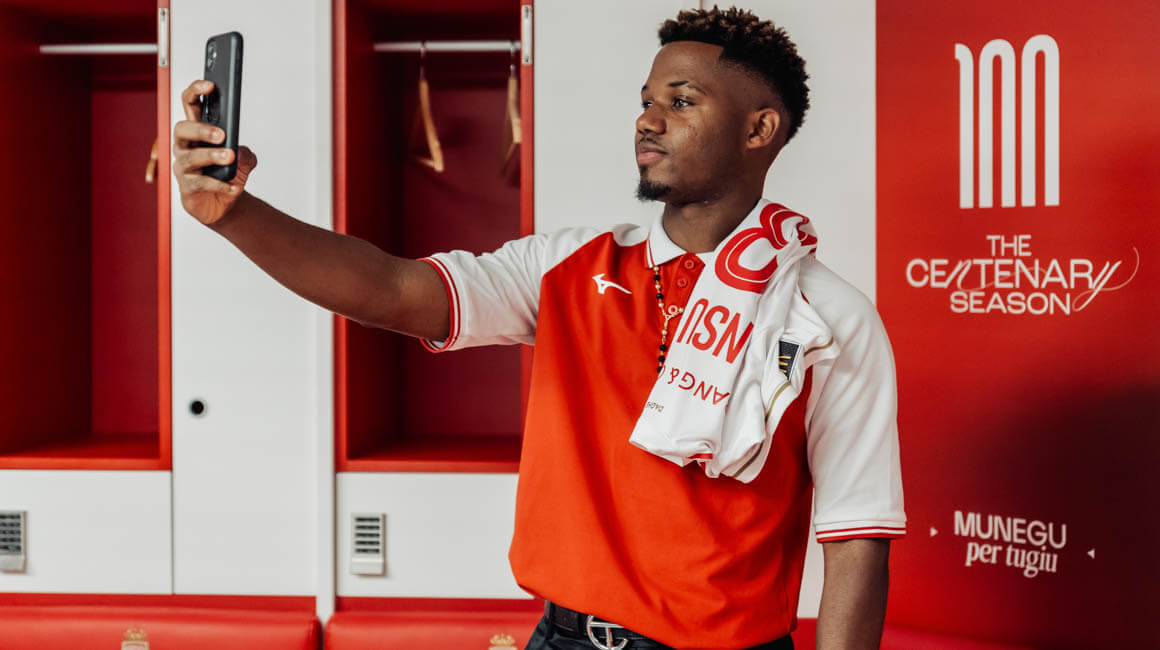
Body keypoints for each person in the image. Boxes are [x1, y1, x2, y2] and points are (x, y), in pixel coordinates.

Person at [172, 6, 904, 650]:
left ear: (759, 128)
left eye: (681, 101)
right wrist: (237, 216)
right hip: (563, 637)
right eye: (646, 101)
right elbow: (391, 290)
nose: (647, 121)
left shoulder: (829, 317)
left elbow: (858, 537)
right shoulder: (565, 266)